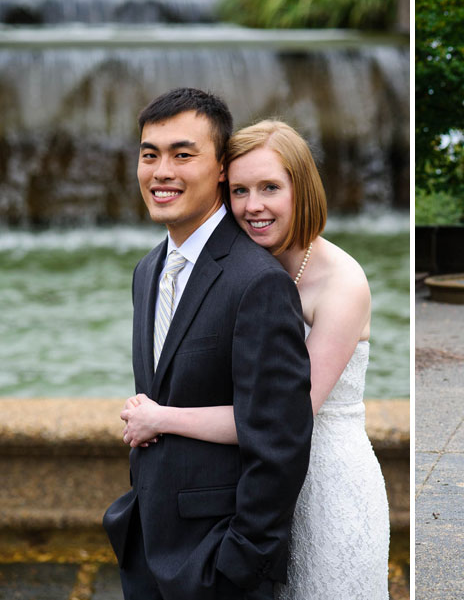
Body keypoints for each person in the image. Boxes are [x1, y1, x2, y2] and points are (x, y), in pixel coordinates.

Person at [120, 119, 390, 598]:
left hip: (327, 487)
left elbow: (285, 417)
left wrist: (162, 418)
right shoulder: (232, 268)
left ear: (301, 189)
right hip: (246, 491)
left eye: (270, 187)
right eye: (240, 190)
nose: (253, 206)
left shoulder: (342, 283)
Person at [102, 89, 313, 600]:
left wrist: (238, 563)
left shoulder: (257, 281)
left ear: (221, 168)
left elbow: (280, 439)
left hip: (218, 566)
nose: (160, 171)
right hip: (148, 548)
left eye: (182, 154)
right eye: (150, 154)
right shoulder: (148, 269)